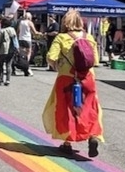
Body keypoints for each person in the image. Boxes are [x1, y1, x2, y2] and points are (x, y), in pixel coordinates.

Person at [43, 9, 103, 157]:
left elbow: (51, 57)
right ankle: (93, 135)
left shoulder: (61, 37)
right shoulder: (88, 37)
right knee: (90, 107)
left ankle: (67, 142)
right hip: (88, 78)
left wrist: (57, 65)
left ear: (65, 22)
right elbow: (95, 61)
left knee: (66, 109)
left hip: (67, 78)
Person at [0, 16, 19, 85]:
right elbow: (15, 39)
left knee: (1, 64)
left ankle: (1, 79)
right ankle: (8, 80)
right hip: (11, 49)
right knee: (8, 65)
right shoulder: (12, 29)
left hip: (3, 49)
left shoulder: (1, 31)